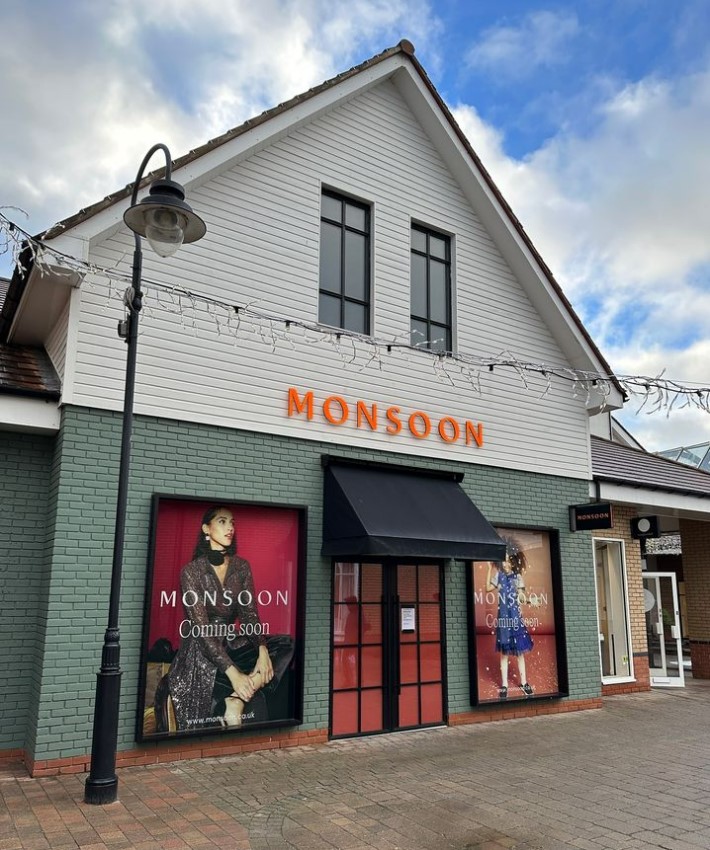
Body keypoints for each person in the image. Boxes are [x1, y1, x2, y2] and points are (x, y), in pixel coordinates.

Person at [155, 505, 294, 732]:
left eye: (232, 523)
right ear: (206, 529)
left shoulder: (241, 567)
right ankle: (239, 694)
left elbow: (249, 615)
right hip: (201, 651)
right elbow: (201, 631)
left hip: (229, 643)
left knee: (286, 644)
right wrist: (235, 675)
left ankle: (236, 699)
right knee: (256, 699)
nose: (230, 527)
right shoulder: (191, 572)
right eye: (222, 521)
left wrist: (262, 650)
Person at [486, 536, 534, 699]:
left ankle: (524, 682)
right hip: (504, 620)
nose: (506, 564)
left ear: (513, 562)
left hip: (515, 619)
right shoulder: (498, 576)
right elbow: (487, 589)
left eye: (508, 561)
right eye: (504, 561)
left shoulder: (517, 577)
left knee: (520, 653)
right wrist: (489, 569)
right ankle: (505, 684)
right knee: (504, 653)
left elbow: (521, 596)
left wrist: (529, 600)